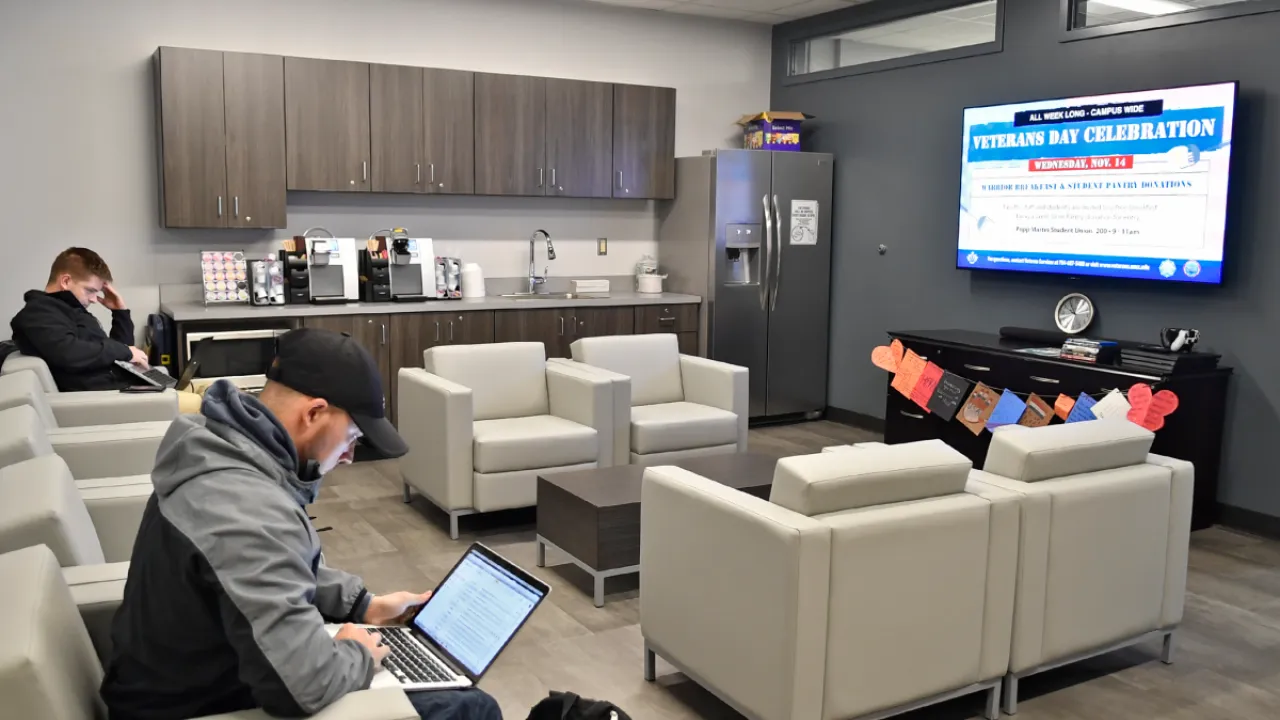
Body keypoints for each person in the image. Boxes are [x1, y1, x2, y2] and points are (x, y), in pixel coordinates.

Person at [100, 328, 503, 720]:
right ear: (313, 413)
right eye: (353, 436)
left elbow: (267, 570)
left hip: (185, 683)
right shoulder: (245, 507)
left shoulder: (218, 448)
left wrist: (363, 606)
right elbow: (303, 688)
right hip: (196, 707)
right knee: (471, 707)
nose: (348, 456)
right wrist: (358, 653)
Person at [10, 247, 150, 391]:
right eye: (90, 290)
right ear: (65, 281)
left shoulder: (69, 310)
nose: (94, 299)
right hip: (102, 400)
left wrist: (120, 313)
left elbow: (118, 358)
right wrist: (124, 351)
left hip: (117, 388)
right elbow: (68, 353)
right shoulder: (39, 313)